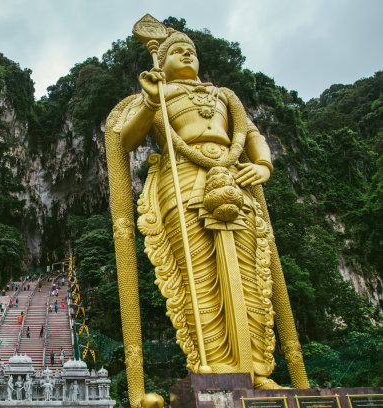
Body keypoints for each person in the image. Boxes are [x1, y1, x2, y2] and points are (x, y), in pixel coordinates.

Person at [106, 20, 300, 391]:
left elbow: (252, 135)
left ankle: (258, 371)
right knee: (198, 275)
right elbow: (125, 140)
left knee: (250, 278)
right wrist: (149, 100)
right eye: (177, 51)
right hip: (179, 183)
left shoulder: (224, 96)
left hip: (233, 179)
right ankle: (213, 365)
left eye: (191, 50)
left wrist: (262, 164)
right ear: (161, 62)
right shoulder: (156, 95)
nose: (187, 54)